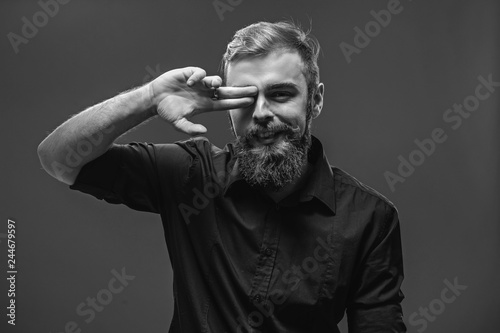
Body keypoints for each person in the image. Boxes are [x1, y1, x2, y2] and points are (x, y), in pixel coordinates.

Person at [38, 21, 406, 333]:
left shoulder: (370, 218)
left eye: (280, 94)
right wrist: (149, 98)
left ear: (316, 101)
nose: (261, 113)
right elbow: (59, 159)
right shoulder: (191, 175)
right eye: (245, 98)